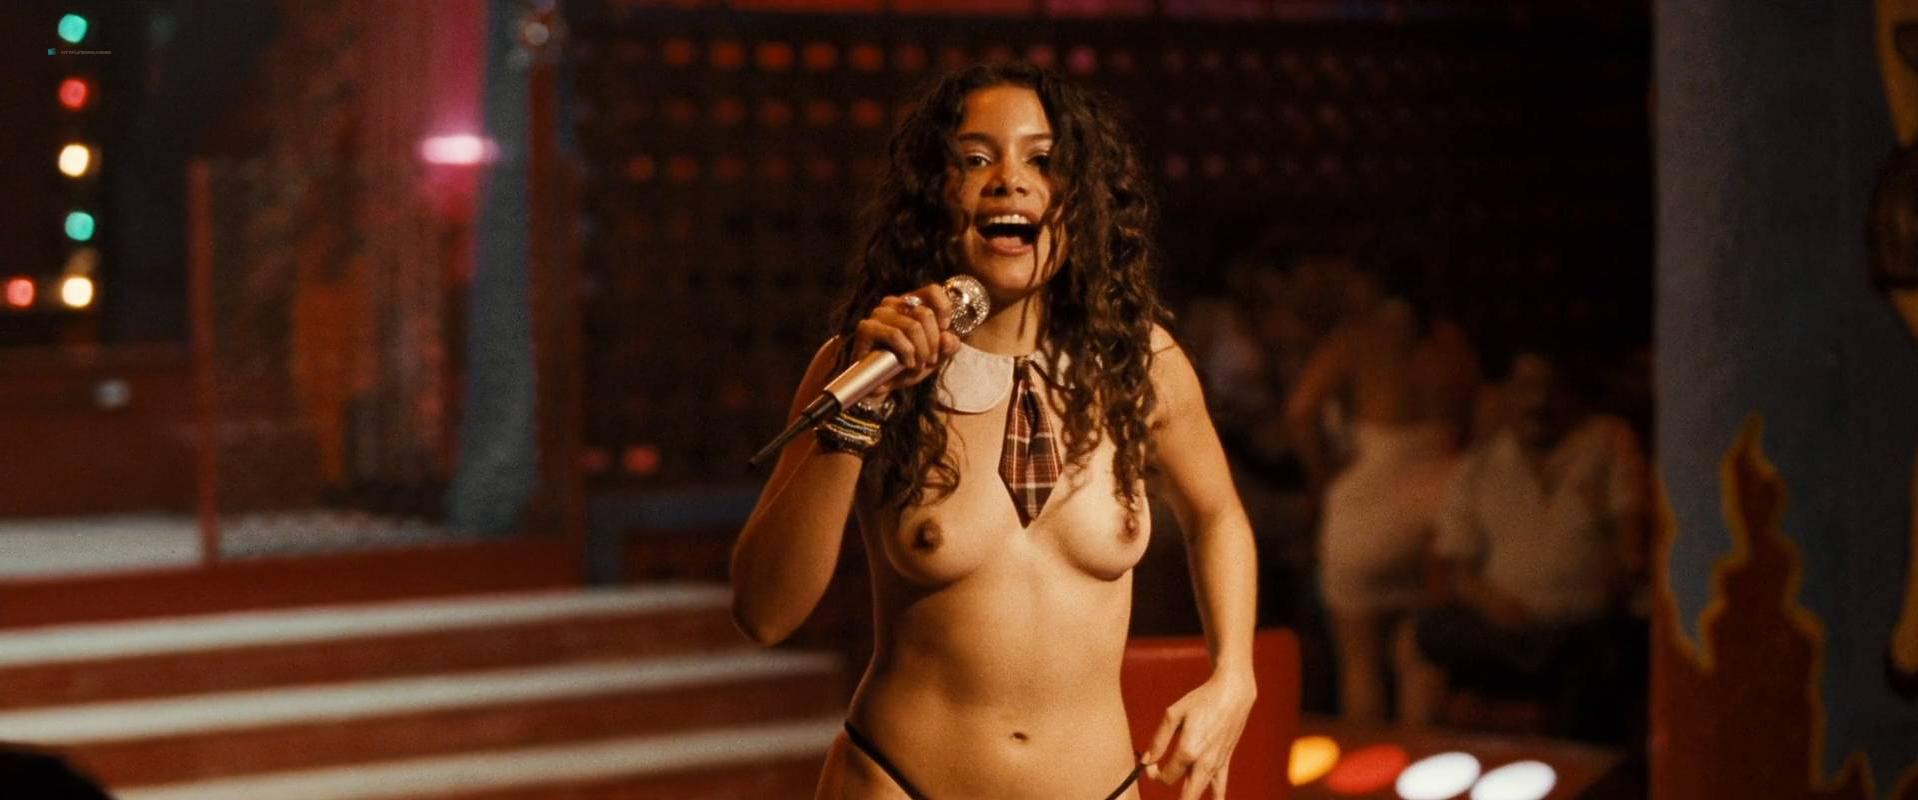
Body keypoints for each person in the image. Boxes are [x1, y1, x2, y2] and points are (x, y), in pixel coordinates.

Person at [730, 63, 1259, 800]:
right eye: (976, 159)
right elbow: (763, 613)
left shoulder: (1140, 363)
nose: (1009, 180)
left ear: (1082, 197)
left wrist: (1233, 676)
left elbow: (1217, 514)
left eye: (1043, 160)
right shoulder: (866, 364)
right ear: (934, 193)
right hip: (899, 781)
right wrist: (854, 412)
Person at [1283, 254, 1478, 725]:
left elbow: (1300, 410)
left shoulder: (1357, 339)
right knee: (1420, 658)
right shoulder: (1453, 345)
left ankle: (1368, 767)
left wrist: (1322, 476)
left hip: (1372, 507)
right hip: (1443, 509)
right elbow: (1473, 422)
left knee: (1360, 661)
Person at [1418, 345, 1649, 737]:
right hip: (1508, 628)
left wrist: (1615, 581)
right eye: (1526, 387)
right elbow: (1458, 569)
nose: (1538, 401)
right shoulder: (1480, 464)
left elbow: (1631, 542)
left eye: (1550, 387)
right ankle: (1510, 711)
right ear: (1505, 394)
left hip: (1582, 624)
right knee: (1434, 631)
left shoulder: (1607, 441)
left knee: (1603, 650)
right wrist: (1493, 603)